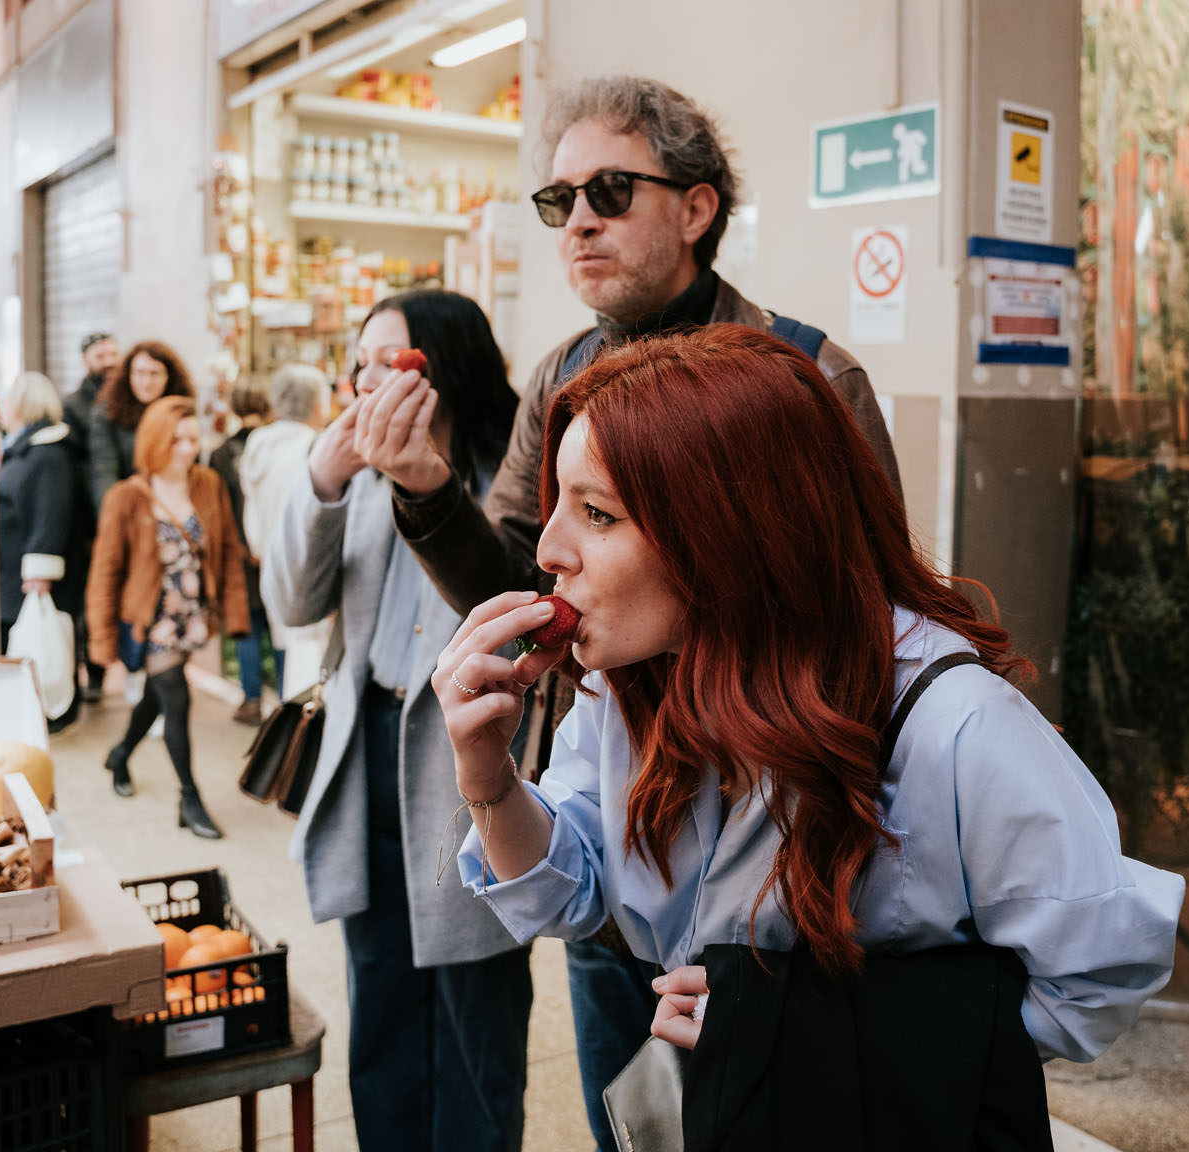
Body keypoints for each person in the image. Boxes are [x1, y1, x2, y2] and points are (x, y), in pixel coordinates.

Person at [431, 326, 1182, 1141]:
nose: (548, 550)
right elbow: (566, 892)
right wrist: (489, 778)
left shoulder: (952, 722)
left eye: (597, 514)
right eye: (557, 507)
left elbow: (1099, 976)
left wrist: (800, 1032)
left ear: (729, 531)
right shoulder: (632, 687)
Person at [350, 74, 902, 1148]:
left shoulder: (807, 373)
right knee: (636, 1122)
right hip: (612, 828)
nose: (579, 221)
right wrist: (424, 488)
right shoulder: (563, 371)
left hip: (771, 849)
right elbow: (528, 579)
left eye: (609, 190)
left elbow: (867, 619)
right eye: (559, 200)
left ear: (696, 208)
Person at [263, 293, 531, 1152]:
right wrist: (324, 479)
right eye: (361, 364)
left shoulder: (511, 478)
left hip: (469, 769)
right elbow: (293, 604)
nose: (369, 381)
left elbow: (524, 602)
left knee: (475, 1019)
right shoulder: (359, 481)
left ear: (447, 366)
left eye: (394, 361)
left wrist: (427, 483)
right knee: (379, 1001)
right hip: (365, 756)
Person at [87, 396, 249, 840]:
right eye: (177, 440)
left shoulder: (208, 484)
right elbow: (105, 571)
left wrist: (236, 615)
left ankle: (121, 754)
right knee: (176, 698)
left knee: (157, 697)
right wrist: (101, 639)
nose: (188, 448)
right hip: (152, 620)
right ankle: (189, 798)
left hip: (193, 615)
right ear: (155, 441)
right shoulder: (126, 497)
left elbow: (228, 550)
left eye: (193, 439)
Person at [0, 371, 90, 732]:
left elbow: (50, 513)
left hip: (37, 575)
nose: (1, 409)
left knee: (51, 639)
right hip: (17, 568)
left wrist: (40, 571)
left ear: (21, 404)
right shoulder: (29, 448)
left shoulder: (48, 454)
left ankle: (57, 711)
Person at [238, 363, 332, 700]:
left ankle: (288, 720)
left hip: (272, 568)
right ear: (317, 404)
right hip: (310, 574)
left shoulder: (259, 445)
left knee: (291, 657)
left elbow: (252, 520)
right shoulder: (317, 447)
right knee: (310, 668)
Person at [209, 382, 274, 724]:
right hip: (276, 550)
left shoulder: (222, 454)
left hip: (238, 551)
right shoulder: (277, 446)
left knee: (247, 624)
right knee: (280, 626)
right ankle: (288, 701)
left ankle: (251, 699)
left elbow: (218, 510)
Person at [65, 333, 122, 704]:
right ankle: (90, 671)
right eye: (101, 355)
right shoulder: (73, 405)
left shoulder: (125, 401)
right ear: (86, 361)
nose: (109, 361)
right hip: (85, 519)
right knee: (87, 598)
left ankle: (108, 668)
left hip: (118, 513)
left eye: (114, 353)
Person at [88, 340, 194, 513]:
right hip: (128, 508)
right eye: (139, 373)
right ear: (128, 375)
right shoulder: (108, 414)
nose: (146, 381)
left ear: (169, 376)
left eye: (154, 373)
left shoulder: (180, 411)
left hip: (175, 506)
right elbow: (104, 473)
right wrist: (113, 515)